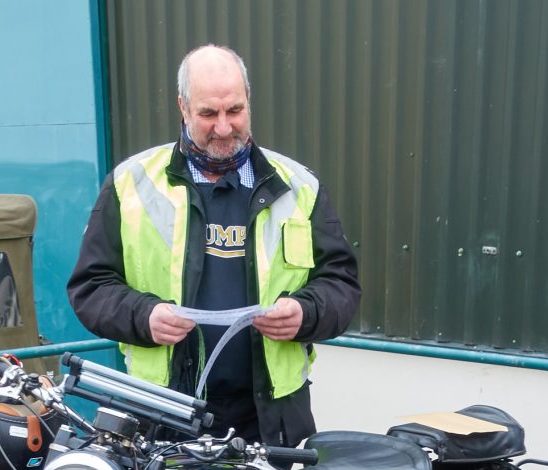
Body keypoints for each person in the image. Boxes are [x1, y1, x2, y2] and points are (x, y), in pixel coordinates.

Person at [68, 44, 361, 446]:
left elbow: (341, 284)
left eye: (234, 110)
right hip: (163, 412)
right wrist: (144, 316)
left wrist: (306, 313)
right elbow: (90, 287)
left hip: (271, 419)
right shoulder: (130, 184)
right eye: (208, 114)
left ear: (249, 102)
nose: (223, 127)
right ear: (183, 108)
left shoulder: (299, 187)